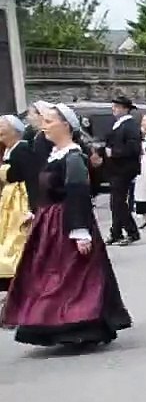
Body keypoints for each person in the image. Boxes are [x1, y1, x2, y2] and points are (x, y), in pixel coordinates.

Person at [1, 103, 131, 348]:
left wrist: (80, 231)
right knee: (51, 276)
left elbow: (78, 194)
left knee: (74, 278)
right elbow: (49, 189)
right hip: (50, 223)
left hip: (67, 223)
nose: (44, 126)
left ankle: (80, 325)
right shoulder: (55, 155)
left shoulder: (73, 158)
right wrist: (38, 213)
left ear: (65, 125)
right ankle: (55, 325)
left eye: (49, 122)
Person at [0, 115, 40, 299]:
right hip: (9, 200)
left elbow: (32, 179)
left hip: (19, 200)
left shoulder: (22, 150)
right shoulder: (9, 151)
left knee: (16, 242)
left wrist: (32, 208)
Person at [102, 96, 141, 246]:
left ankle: (132, 231)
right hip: (115, 168)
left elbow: (133, 148)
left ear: (125, 109)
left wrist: (115, 152)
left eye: (117, 107)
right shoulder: (117, 124)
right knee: (115, 202)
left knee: (118, 202)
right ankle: (116, 232)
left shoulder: (130, 125)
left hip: (124, 168)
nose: (114, 109)